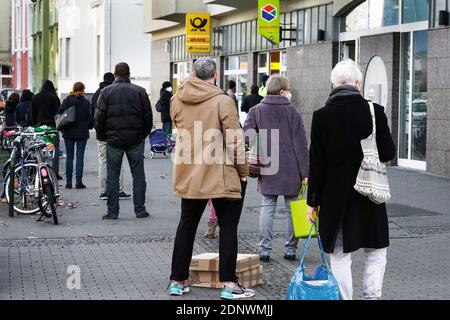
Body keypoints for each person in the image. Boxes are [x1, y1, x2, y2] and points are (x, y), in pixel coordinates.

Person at [307, 59, 396, 300]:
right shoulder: (375, 111)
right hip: (370, 192)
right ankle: (372, 296)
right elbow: (388, 153)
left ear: (334, 84)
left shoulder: (321, 116)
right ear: (357, 83)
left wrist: (312, 202)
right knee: (376, 251)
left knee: (339, 255)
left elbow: (316, 163)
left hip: (334, 198)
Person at [168, 57, 253, 300]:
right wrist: (243, 172)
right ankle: (228, 284)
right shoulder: (223, 101)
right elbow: (235, 140)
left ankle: (177, 281)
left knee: (187, 225)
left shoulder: (177, 99)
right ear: (215, 76)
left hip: (189, 171)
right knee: (228, 228)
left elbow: (179, 126)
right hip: (219, 173)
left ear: (193, 74)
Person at [243, 75, 309, 263]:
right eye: (288, 90)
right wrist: (305, 172)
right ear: (282, 92)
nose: (289, 93)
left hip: (267, 166)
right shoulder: (293, 112)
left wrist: (260, 143)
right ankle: (290, 250)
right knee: (292, 210)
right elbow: (301, 144)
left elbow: (246, 138)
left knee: (267, 207)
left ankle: (264, 251)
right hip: (291, 169)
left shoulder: (256, 111)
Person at [95, 62, 153, 220]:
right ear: (129, 74)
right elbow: (148, 117)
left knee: (112, 176)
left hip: (113, 140)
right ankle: (140, 210)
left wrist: (102, 136)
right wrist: (143, 135)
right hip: (135, 139)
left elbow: (99, 117)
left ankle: (113, 211)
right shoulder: (140, 91)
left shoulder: (106, 92)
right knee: (138, 175)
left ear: (115, 74)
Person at [91, 72, 131, 200]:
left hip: (102, 134)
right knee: (117, 162)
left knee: (103, 161)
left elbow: (94, 114)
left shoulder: (98, 93)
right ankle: (119, 190)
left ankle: (104, 191)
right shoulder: (117, 91)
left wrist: (99, 130)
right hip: (116, 133)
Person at [57, 82, 92, 189]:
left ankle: (68, 182)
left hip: (68, 132)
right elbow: (90, 119)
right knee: (80, 157)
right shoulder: (86, 103)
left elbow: (60, 114)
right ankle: (78, 182)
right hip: (82, 133)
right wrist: (89, 126)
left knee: (69, 157)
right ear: (83, 90)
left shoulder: (67, 101)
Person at [31, 80, 62, 179]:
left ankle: (40, 172)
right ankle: (55, 173)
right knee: (54, 150)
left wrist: (34, 125)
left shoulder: (36, 97)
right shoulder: (54, 97)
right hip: (51, 127)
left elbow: (33, 113)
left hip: (39, 127)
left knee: (39, 150)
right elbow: (58, 113)